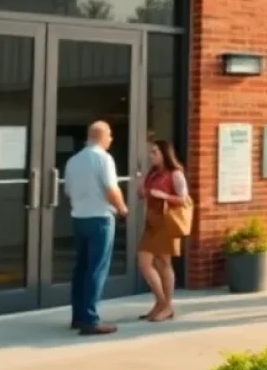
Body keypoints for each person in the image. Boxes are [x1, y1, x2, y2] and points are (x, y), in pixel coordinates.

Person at [64, 121, 128, 336]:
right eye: (110, 135)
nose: (111, 139)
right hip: (100, 218)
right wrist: (122, 208)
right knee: (96, 269)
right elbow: (111, 188)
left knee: (81, 268)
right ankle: (91, 320)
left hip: (79, 218)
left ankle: (78, 316)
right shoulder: (103, 158)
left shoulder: (73, 160)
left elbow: (68, 191)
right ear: (102, 136)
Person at [137, 139, 190, 323]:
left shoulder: (175, 174)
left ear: (164, 154)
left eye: (155, 152)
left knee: (163, 264)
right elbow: (145, 194)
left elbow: (183, 200)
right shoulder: (152, 174)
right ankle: (162, 304)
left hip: (166, 222)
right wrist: (142, 192)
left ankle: (165, 305)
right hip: (152, 223)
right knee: (147, 263)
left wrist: (164, 195)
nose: (151, 156)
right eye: (151, 152)